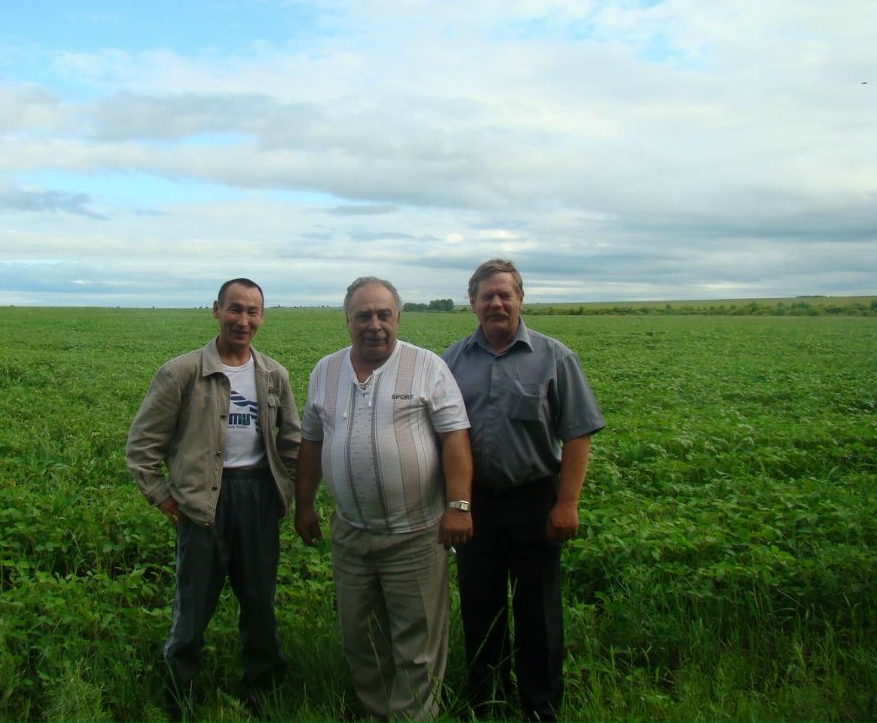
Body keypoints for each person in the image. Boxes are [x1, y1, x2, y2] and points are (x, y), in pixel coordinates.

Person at [295, 276, 474, 722]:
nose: (374, 325)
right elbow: (312, 443)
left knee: (417, 642)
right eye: (363, 316)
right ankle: (377, 713)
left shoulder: (426, 366)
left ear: (398, 318)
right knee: (362, 639)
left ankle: (412, 717)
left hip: (415, 533)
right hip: (352, 533)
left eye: (383, 315)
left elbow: (455, 438)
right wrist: (304, 504)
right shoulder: (326, 370)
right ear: (347, 320)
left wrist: (458, 506)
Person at [126, 278, 300, 719]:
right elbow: (142, 445)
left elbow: (292, 441)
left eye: (253, 312)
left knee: (259, 602)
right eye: (235, 309)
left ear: (262, 316)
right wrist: (163, 497)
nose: (244, 320)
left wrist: (286, 488)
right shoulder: (181, 372)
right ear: (216, 310)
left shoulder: (273, 374)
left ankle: (263, 689)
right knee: (193, 603)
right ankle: (179, 692)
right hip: (203, 501)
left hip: (256, 497)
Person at [442, 259, 605, 723]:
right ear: (472, 303)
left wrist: (567, 503)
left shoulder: (555, 357)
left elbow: (577, 433)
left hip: (535, 500)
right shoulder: (452, 360)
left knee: (538, 612)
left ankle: (540, 707)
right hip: (475, 504)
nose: (496, 303)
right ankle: (486, 701)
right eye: (486, 296)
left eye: (505, 294)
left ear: (520, 300)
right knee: (480, 607)